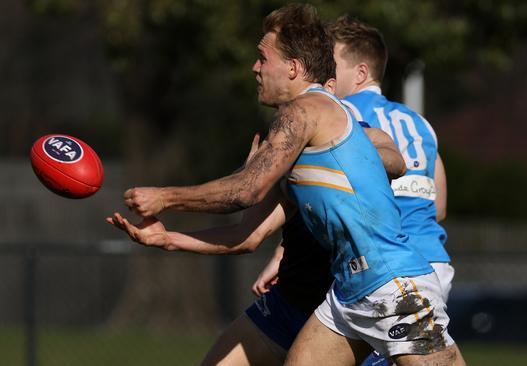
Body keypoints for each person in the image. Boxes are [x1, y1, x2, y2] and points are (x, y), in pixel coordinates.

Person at [110, 3, 458, 365]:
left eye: (263, 58)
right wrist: (166, 238)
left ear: (293, 68)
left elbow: (246, 190)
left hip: (392, 285)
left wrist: (164, 197)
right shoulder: (293, 133)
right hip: (349, 294)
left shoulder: (307, 110)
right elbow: (244, 235)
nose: (254, 67)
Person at [328, 15, 465, 366]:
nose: (322, 74)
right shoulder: (419, 123)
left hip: (387, 266)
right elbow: (440, 206)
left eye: (330, 64)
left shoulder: (339, 116)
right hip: (433, 261)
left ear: (359, 73)